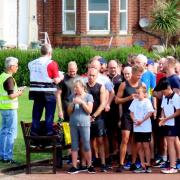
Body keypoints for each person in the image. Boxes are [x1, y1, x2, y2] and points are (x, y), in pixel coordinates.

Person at [115, 65, 145, 172]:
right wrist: (129, 97)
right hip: (127, 115)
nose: (139, 77)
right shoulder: (124, 84)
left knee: (136, 140)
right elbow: (117, 100)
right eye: (138, 75)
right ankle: (121, 164)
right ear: (132, 73)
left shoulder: (142, 84)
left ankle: (133, 163)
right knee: (125, 138)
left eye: (141, 75)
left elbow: (146, 100)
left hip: (138, 116)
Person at [28, 44, 61, 136]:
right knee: (49, 116)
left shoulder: (31, 63)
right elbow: (56, 80)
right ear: (49, 52)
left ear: (41, 52)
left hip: (36, 93)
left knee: (36, 115)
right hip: (48, 93)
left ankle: (34, 135)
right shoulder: (51, 63)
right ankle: (49, 135)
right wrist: (61, 76)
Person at [67, 79, 95, 174]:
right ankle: (74, 166)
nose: (75, 89)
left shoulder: (88, 96)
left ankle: (89, 165)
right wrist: (72, 103)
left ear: (83, 87)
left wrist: (82, 102)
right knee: (74, 145)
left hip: (84, 124)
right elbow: (69, 112)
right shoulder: (72, 97)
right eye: (74, 87)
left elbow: (89, 111)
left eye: (77, 87)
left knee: (86, 144)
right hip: (73, 124)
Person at [0, 57, 24, 163]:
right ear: (11, 67)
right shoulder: (9, 78)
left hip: (3, 108)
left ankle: (2, 155)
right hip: (10, 109)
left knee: (3, 132)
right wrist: (19, 93)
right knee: (10, 133)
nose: (17, 67)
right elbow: (10, 95)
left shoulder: (2, 76)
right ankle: (8, 157)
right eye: (16, 65)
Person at [155, 79, 180, 174]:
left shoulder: (176, 98)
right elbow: (163, 109)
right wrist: (162, 117)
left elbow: (178, 112)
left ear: (169, 88)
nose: (162, 93)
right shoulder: (165, 97)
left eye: (163, 91)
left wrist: (165, 119)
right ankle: (174, 163)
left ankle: (173, 166)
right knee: (172, 142)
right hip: (167, 123)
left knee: (170, 143)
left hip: (174, 123)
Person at [129, 86, 154, 173]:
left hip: (146, 128)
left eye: (139, 93)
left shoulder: (147, 101)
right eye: (136, 92)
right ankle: (142, 165)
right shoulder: (134, 101)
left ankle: (148, 165)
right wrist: (134, 120)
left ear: (144, 94)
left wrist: (141, 121)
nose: (137, 94)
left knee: (146, 146)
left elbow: (150, 112)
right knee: (139, 146)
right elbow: (131, 113)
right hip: (137, 128)